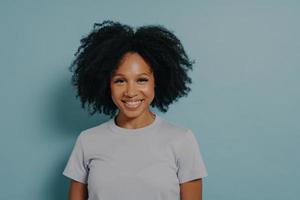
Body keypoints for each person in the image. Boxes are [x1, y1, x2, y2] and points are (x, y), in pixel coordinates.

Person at [62, 20, 208, 200]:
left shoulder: (182, 140)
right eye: (120, 80)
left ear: (157, 81)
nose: (131, 92)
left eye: (142, 80)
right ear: (106, 85)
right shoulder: (87, 141)